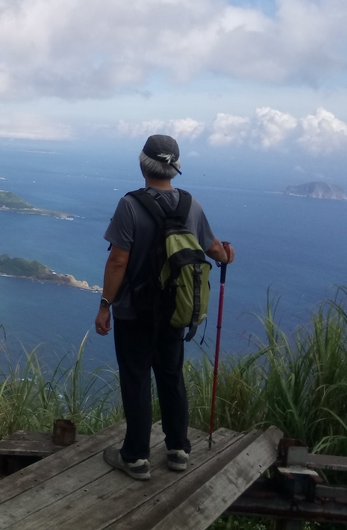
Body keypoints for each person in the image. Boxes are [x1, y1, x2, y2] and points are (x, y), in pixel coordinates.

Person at [94, 134, 234, 480]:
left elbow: (117, 262)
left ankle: (136, 457)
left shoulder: (130, 205)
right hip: (177, 310)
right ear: (175, 167)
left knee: (137, 378)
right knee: (171, 377)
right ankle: (178, 449)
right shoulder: (190, 205)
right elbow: (215, 249)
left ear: (143, 163)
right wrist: (227, 255)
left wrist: (104, 305)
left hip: (135, 311)